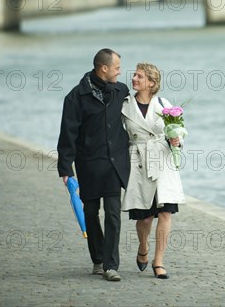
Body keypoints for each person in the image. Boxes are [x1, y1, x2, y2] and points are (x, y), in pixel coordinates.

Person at [57, 48, 131, 282]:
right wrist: (66, 168)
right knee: (90, 213)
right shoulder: (76, 96)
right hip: (88, 163)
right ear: (104, 68)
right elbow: (68, 133)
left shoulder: (122, 91)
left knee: (113, 214)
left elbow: (135, 118)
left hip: (114, 163)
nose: (120, 72)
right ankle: (97, 259)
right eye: (117, 67)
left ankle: (110, 265)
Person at [121, 63, 185, 279]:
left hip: (163, 159)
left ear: (151, 82)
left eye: (139, 76)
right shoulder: (125, 105)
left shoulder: (163, 103)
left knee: (166, 212)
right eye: (134, 75)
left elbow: (177, 129)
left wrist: (177, 139)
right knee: (146, 218)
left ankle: (159, 261)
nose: (134, 78)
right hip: (138, 160)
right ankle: (143, 248)